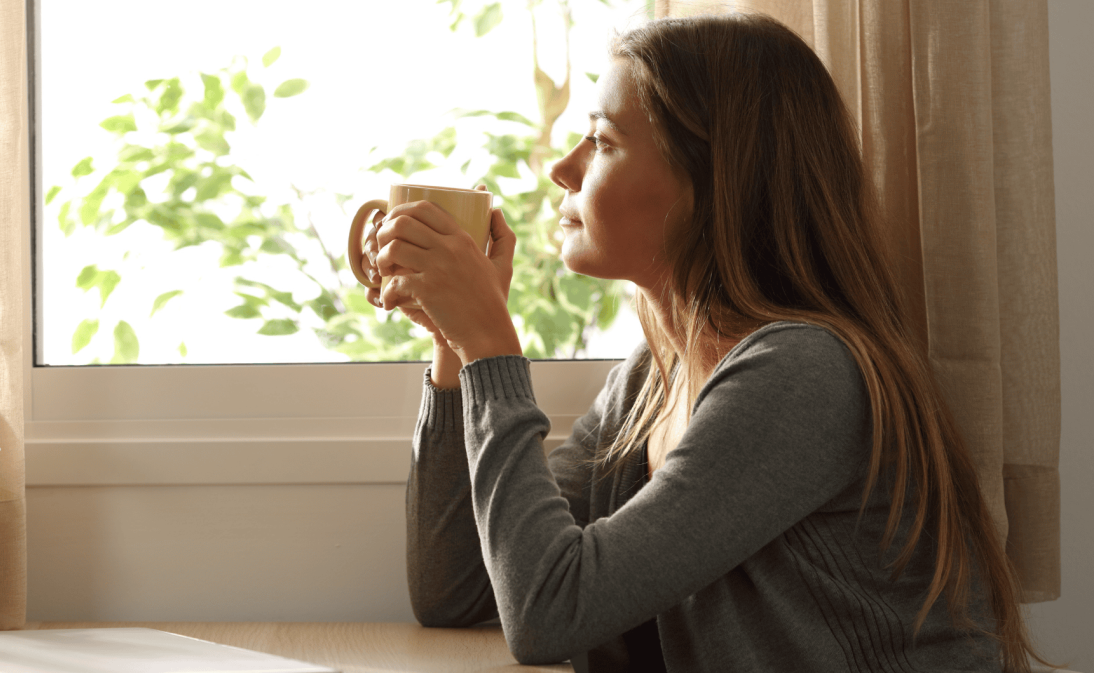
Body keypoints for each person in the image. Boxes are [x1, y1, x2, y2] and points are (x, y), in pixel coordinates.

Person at [358, 12, 1050, 673]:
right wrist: (455, 348)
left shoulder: (804, 374)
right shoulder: (652, 380)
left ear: (710, 182)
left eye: (601, 142)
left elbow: (550, 611)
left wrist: (490, 345)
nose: (562, 169)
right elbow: (456, 589)